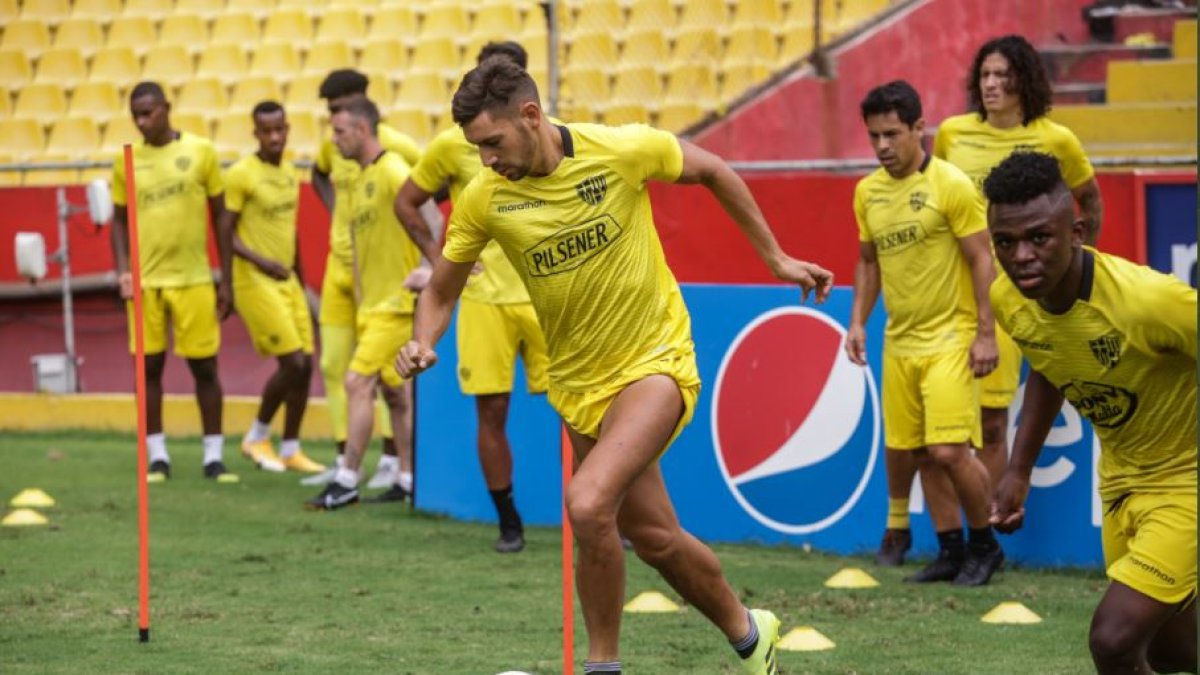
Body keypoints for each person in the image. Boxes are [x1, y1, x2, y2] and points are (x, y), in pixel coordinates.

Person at [398, 58, 832, 675]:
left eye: (492, 143)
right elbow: (442, 289)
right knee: (656, 540)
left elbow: (713, 169)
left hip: (656, 362)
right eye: (477, 149)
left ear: (531, 116)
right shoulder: (484, 199)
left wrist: (777, 258)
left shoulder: (622, 150)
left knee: (587, 502)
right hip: (579, 385)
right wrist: (423, 340)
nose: (486, 159)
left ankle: (603, 667)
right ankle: (749, 633)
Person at [987, 152, 1195, 675]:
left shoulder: (1147, 302)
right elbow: (1048, 363)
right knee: (1169, 649)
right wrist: (1017, 469)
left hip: (1187, 480)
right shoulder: (1008, 301)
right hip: (1121, 484)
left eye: (1040, 237)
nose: (1022, 257)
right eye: (1005, 243)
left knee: (1113, 640)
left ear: (1076, 230)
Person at [845, 81, 1003, 585]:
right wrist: (856, 323)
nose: (883, 146)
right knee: (919, 453)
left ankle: (985, 545)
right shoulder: (867, 192)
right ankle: (951, 549)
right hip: (900, 340)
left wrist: (985, 332)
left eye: (892, 134)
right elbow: (868, 263)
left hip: (952, 337)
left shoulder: (951, 185)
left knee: (949, 451)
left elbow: (983, 258)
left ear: (919, 129)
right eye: (874, 137)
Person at [395, 40, 549, 554]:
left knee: (586, 408)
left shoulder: (547, 141)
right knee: (492, 411)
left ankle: (605, 516)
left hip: (546, 291)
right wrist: (439, 261)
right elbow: (408, 201)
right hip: (484, 298)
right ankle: (510, 523)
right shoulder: (452, 145)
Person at [933, 33, 1104, 489]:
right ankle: (963, 540)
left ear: (1023, 82)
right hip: (954, 297)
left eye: (1002, 76)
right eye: (985, 75)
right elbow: (936, 202)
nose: (991, 84)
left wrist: (1076, 266)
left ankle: (989, 532)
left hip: (1016, 298)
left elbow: (1088, 200)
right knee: (946, 432)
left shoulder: (1056, 139)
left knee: (992, 423)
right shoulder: (952, 134)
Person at [305, 97, 439, 510]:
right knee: (395, 395)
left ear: (362, 130)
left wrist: (431, 273)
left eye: (340, 131)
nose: (335, 139)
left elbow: (434, 218)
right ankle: (407, 476)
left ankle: (346, 478)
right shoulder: (361, 179)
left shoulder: (393, 170)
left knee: (356, 382)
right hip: (374, 306)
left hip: (396, 305)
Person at [109, 81, 236, 481]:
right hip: (146, 285)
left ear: (167, 108)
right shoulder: (126, 160)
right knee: (148, 369)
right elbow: (116, 219)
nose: (143, 122)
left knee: (205, 369)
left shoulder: (201, 152)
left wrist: (227, 280)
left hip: (194, 280)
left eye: (149, 112)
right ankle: (157, 456)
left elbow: (221, 218)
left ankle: (213, 455)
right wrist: (124, 270)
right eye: (136, 115)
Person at [221, 101, 325, 474]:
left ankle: (291, 448)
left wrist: (300, 275)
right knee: (292, 361)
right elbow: (224, 232)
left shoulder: (286, 172)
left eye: (280, 129)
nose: (275, 137)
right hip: (255, 280)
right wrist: (245, 273)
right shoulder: (241, 175)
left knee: (306, 365)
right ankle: (256, 436)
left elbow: (290, 229)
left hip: (287, 281)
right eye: (267, 131)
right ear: (256, 133)